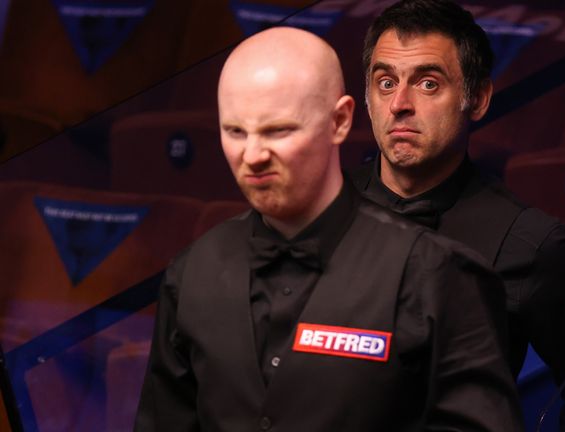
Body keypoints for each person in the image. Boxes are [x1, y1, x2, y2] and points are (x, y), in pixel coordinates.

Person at [134, 26, 523, 431]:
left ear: (339, 121)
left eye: (278, 130)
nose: (252, 155)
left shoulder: (439, 276)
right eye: (235, 131)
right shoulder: (190, 273)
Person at [351, 0, 565, 430]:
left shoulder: (532, 244)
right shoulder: (320, 210)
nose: (400, 104)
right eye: (385, 82)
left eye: (428, 84)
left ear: (478, 98)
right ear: (367, 96)